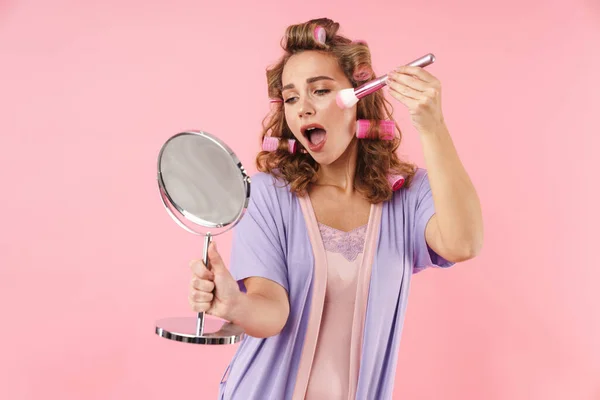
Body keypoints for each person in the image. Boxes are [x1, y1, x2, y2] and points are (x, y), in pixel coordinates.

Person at [188, 17, 483, 400]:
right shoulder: (268, 195)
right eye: (292, 98)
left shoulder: (408, 196)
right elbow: (273, 312)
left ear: (359, 97)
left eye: (321, 91)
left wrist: (433, 125)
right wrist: (235, 303)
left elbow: (464, 243)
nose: (303, 109)